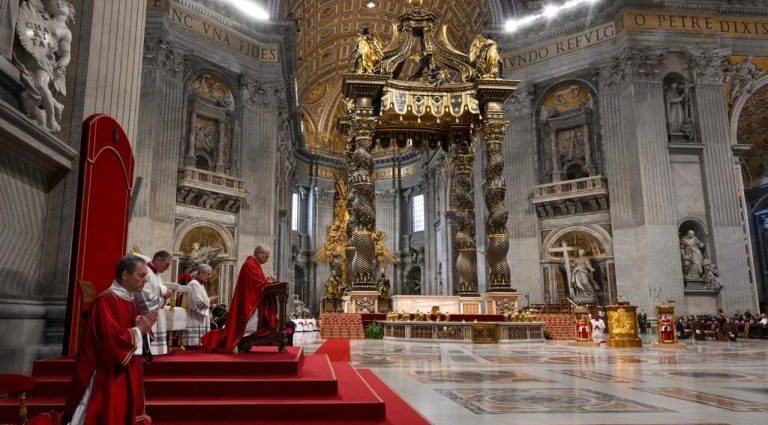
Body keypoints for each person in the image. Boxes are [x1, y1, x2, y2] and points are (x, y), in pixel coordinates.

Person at [62, 255, 157, 425]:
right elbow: (110, 341)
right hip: (107, 371)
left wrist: (143, 330)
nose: (145, 280)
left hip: (125, 364)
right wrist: (138, 330)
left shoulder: (130, 300)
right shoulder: (106, 300)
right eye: (142, 276)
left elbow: (133, 331)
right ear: (125, 275)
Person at [202, 245, 278, 353]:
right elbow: (257, 283)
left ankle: (242, 341)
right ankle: (239, 341)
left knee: (252, 325)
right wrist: (268, 282)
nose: (267, 259)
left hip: (253, 301)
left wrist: (267, 282)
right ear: (260, 253)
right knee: (249, 325)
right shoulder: (250, 265)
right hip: (250, 302)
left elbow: (259, 281)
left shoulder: (254, 264)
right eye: (266, 256)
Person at [133, 251, 172, 355]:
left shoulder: (156, 275)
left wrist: (163, 296)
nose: (167, 268)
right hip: (148, 314)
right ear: (158, 260)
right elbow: (146, 298)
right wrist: (163, 299)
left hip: (157, 312)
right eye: (167, 265)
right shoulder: (147, 273)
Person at [186, 264, 217, 347]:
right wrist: (209, 300)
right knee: (194, 347)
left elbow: (202, 301)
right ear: (201, 273)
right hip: (194, 319)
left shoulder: (200, 285)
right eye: (208, 274)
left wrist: (210, 304)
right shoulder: (194, 284)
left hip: (199, 319)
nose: (210, 277)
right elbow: (196, 302)